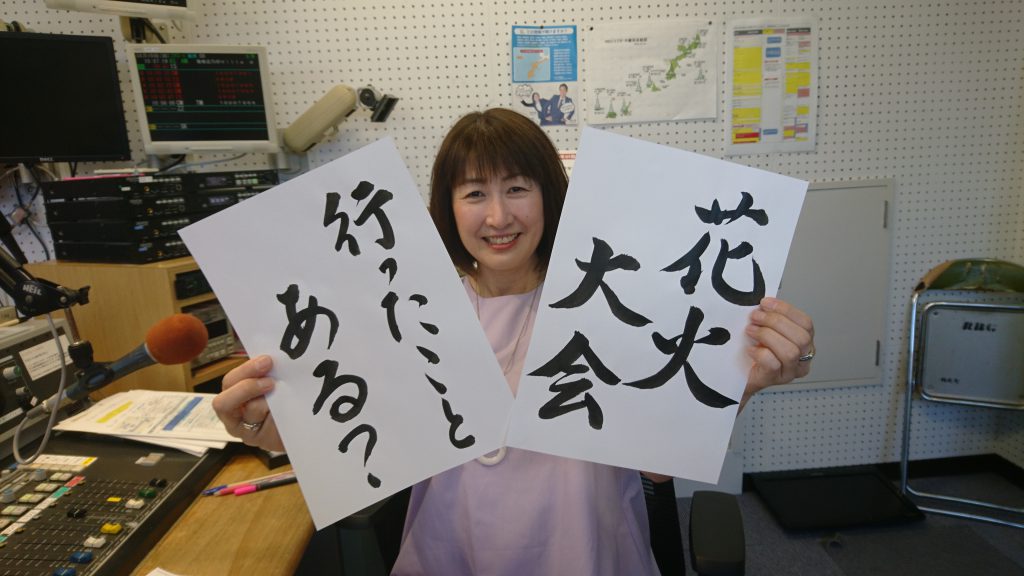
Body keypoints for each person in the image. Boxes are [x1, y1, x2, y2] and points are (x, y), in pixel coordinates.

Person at [212, 108, 815, 575]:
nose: (498, 217)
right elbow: (361, 442)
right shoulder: (407, 312)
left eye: (517, 188)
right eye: (474, 193)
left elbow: (658, 468)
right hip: (448, 555)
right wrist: (274, 428)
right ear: (449, 208)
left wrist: (741, 381)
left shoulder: (610, 301)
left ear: (549, 195)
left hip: (590, 555)